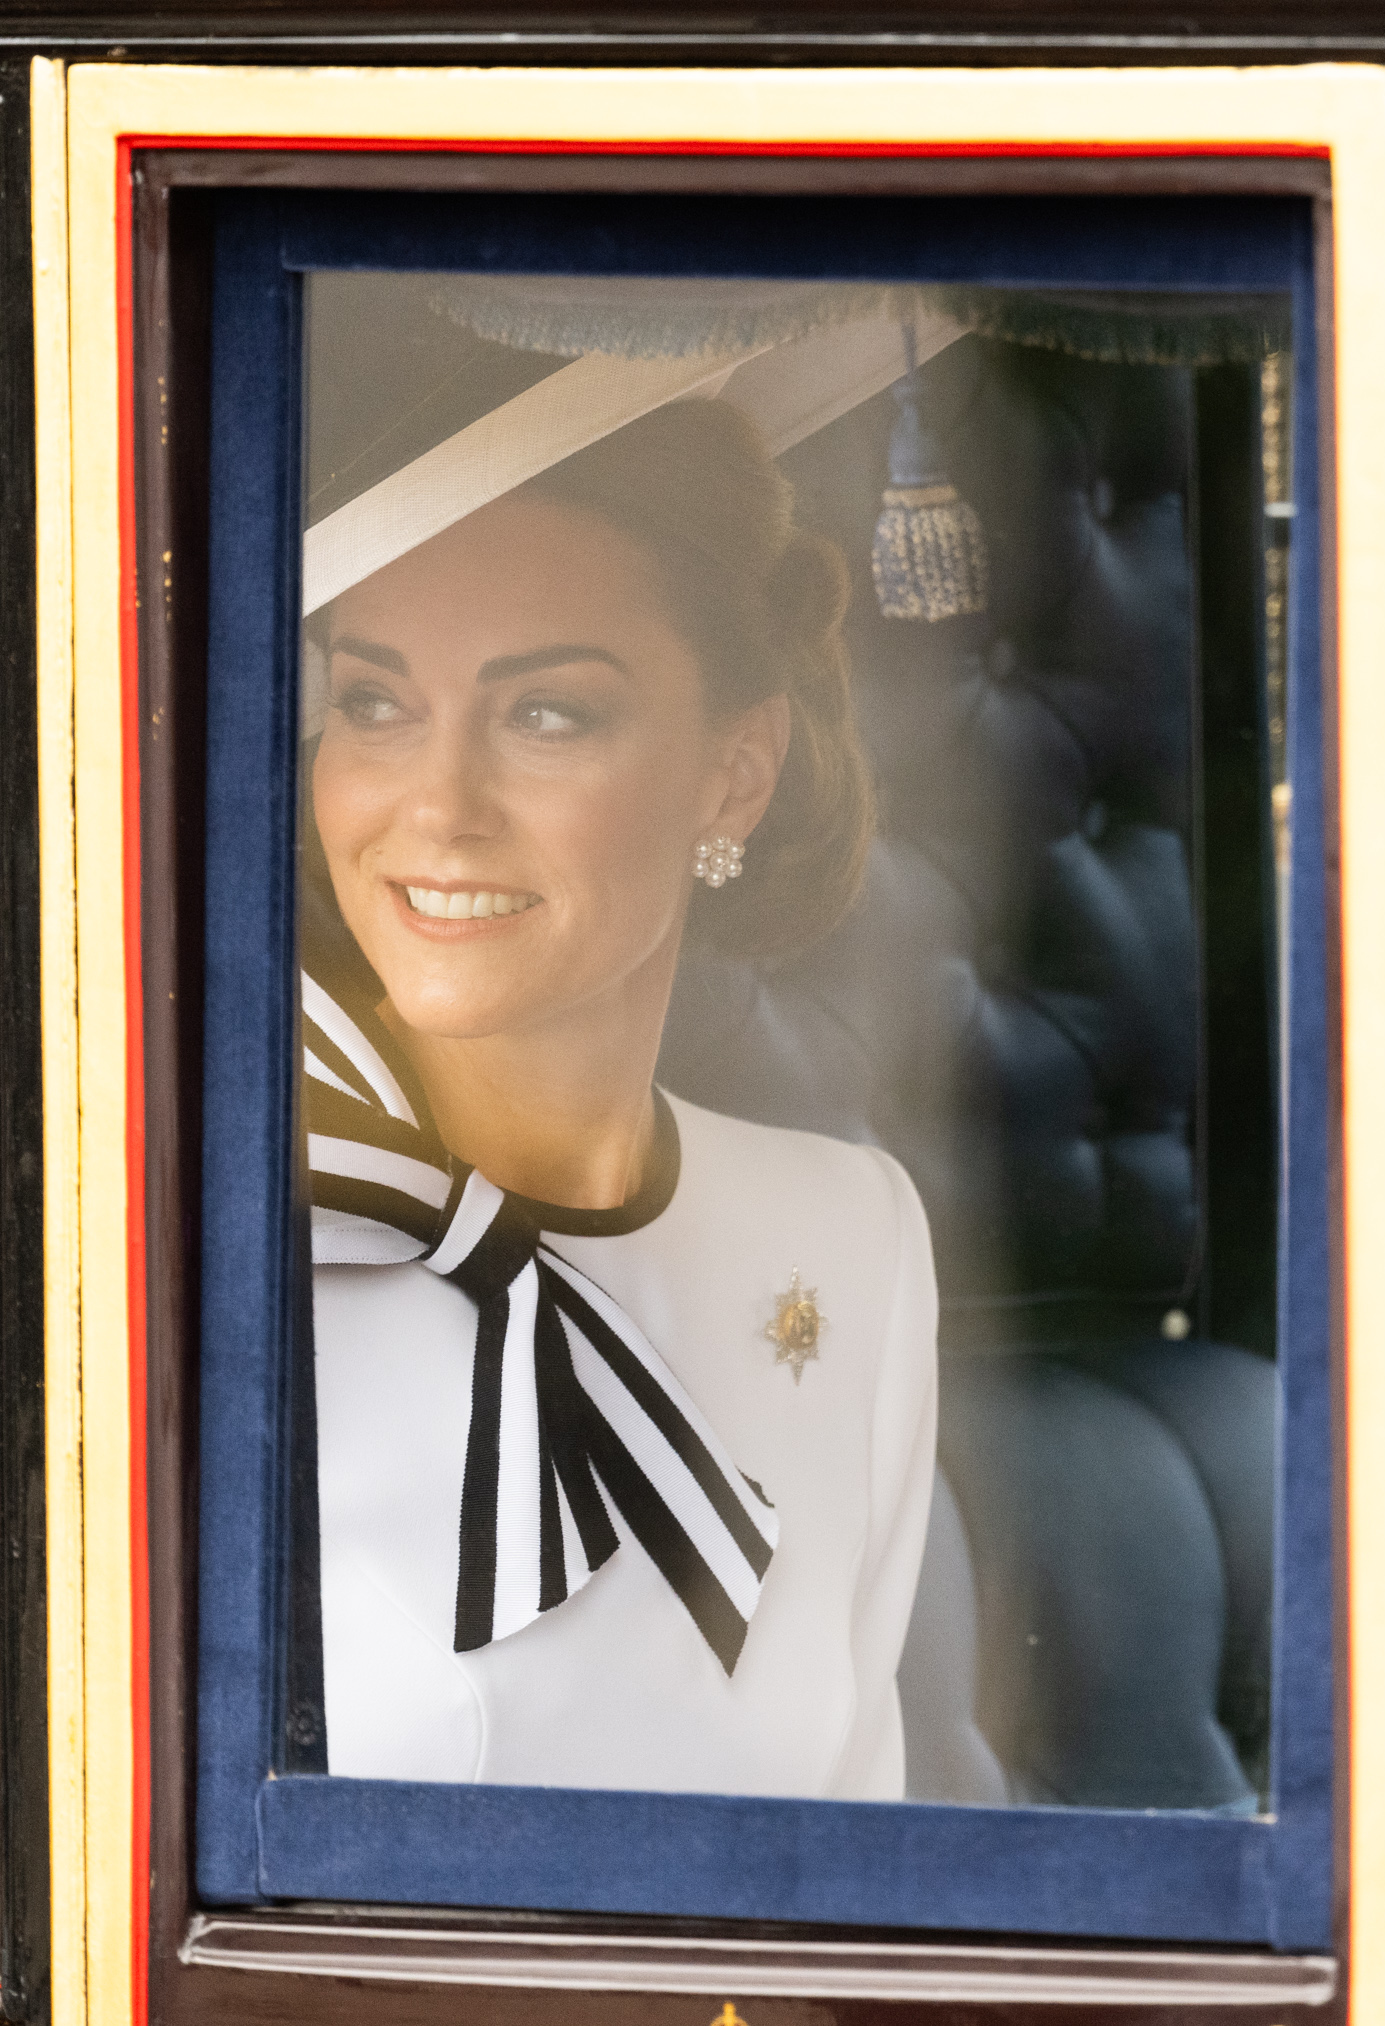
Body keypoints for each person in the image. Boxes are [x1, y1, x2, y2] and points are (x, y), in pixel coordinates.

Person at [301, 399, 941, 1799]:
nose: (436, 805)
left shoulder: (851, 1239)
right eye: (375, 702)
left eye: (547, 712)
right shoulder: (202, 1244)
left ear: (735, 771)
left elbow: (849, 1863)